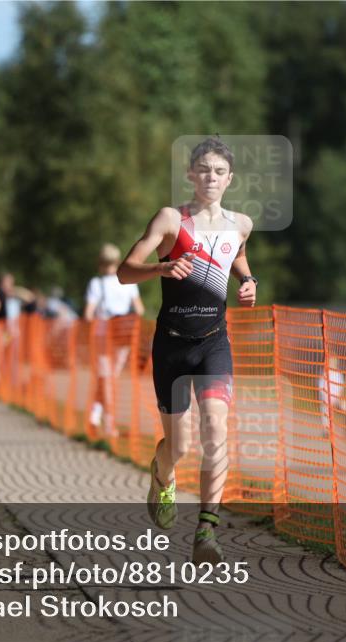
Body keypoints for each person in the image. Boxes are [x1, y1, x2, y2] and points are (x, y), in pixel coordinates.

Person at [117, 136, 257, 564]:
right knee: (178, 446)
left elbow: (237, 255)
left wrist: (248, 281)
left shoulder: (241, 224)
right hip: (172, 346)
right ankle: (162, 476)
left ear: (229, 179)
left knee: (216, 429)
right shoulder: (170, 220)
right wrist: (161, 267)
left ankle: (206, 532)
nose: (211, 177)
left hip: (214, 342)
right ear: (191, 175)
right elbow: (124, 272)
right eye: (204, 170)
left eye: (220, 171)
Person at [85, 244, 145, 440]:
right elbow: (139, 310)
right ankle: (97, 418)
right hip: (123, 335)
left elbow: (88, 313)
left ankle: (104, 421)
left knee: (106, 379)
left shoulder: (96, 283)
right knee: (111, 379)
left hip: (102, 335)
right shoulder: (128, 282)